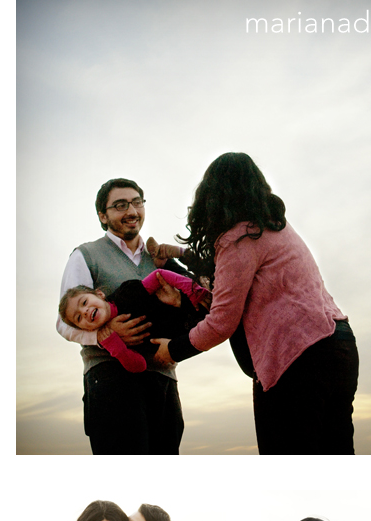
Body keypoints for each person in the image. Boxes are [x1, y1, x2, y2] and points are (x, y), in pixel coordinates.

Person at [151, 152, 359, 455]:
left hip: (296, 359)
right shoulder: (274, 227)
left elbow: (222, 321)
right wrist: (180, 255)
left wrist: (171, 351)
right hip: (339, 346)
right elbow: (232, 272)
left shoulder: (238, 239)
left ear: (211, 196)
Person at [57, 178, 188, 454]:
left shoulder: (160, 258)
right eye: (120, 205)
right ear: (103, 216)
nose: (131, 211)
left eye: (136, 202)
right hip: (110, 378)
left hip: (164, 377)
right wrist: (104, 335)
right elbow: (64, 322)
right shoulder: (86, 255)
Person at [59, 269, 209, 373]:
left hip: (194, 308)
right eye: (78, 317)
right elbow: (140, 366)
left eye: (84, 302)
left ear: (99, 294)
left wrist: (192, 290)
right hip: (191, 337)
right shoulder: (108, 338)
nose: (84, 312)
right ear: (86, 329)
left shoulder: (126, 293)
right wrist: (117, 348)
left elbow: (159, 275)